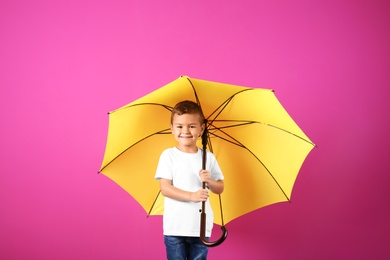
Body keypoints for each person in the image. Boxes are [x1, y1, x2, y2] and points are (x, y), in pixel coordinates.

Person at [155, 100, 225, 260]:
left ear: (201, 129)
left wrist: (210, 181)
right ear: (171, 128)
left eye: (192, 126)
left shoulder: (208, 157)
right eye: (179, 126)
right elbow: (165, 188)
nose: (185, 131)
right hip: (175, 227)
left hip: (200, 227)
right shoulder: (168, 156)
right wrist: (192, 196)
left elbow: (220, 187)